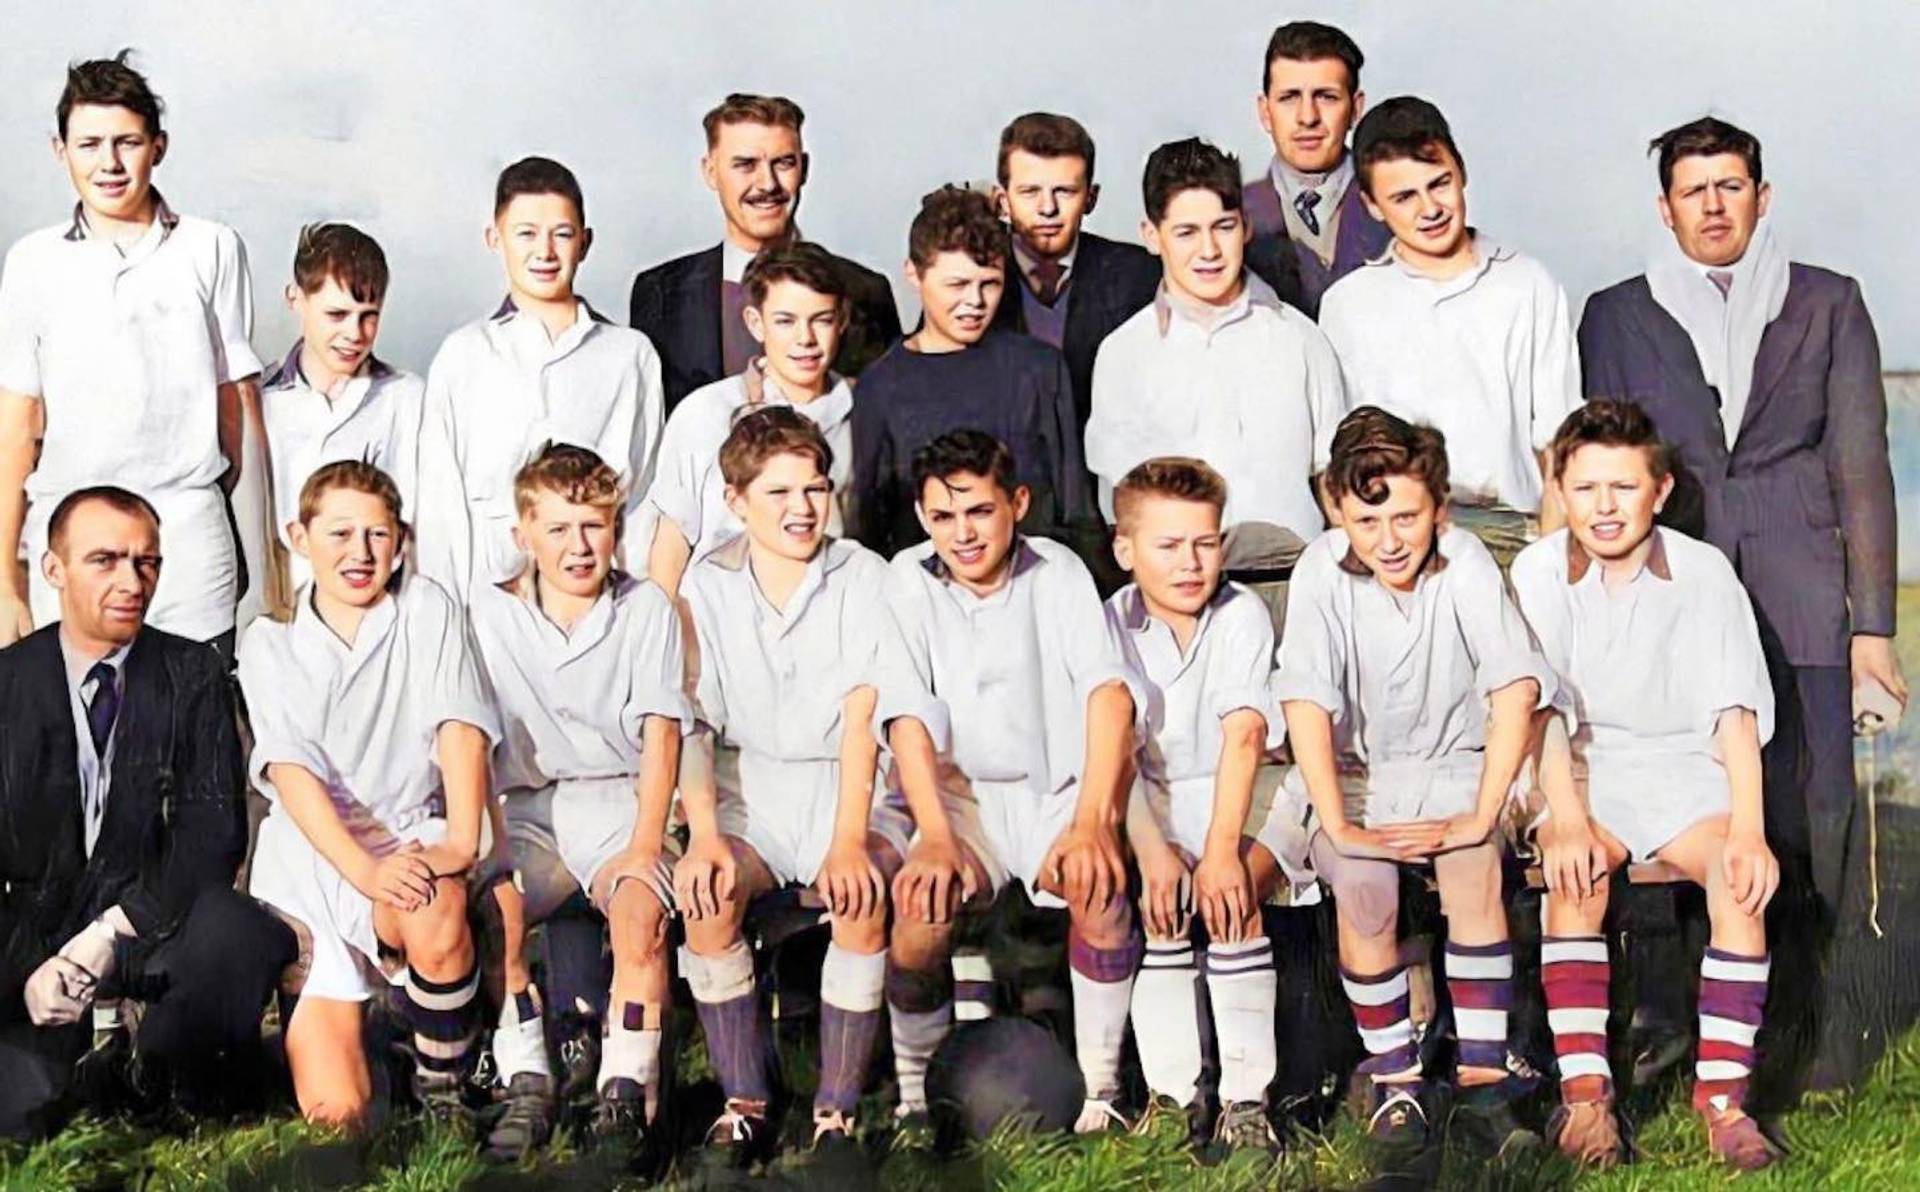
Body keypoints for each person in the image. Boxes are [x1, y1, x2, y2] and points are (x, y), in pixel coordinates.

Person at [1576, 123, 1901, 1069]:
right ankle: (1669, 1023)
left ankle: (1803, 1028)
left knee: (1810, 812)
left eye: (1730, 185)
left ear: (1763, 195)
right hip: (1665, 599)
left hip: (1799, 596)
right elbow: (1601, 461)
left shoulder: (1828, 302)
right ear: (1665, 207)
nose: (1713, 205)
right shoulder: (1616, 313)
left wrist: (1871, 629)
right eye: (1693, 190)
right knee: (1663, 806)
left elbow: (1862, 466)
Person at [1274, 407, 1555, 1168]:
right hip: (1353, 781)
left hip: (1455, 769)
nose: (1390, 539)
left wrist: (1481, 815)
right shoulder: (1321, 572)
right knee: (1365, 887)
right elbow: (1304, 701)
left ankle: (1483, 1081)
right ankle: (1396, 1077)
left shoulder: (1462, 560)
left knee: (1474, 872)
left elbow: (1514, 685)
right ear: (1337, 507)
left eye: (1407, 516)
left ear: (1438, 506)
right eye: (1368, 520)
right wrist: (1340, 825)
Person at [1511, 400, 1780, 1171]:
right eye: (1586, 488)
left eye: (1623, 488)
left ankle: (1725, 1101)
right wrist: (1564, 820)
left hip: (1682, 771)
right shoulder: (1538, 570)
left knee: (1739, 880)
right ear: (1559, 489)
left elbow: (1733, 714)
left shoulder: (1702, 572)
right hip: (1581, 769)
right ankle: (1587, 1100)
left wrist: (1750, 832)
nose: (1604, 508)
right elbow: (1542, 713)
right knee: (1577, 874)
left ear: (1658, 492)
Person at [675, 407, 949, 1160]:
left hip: (845, 785)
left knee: (858, 895)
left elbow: (866, 715)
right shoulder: (706, 581)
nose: (801, 509)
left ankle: (837, 1113)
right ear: (735, 501)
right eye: (779, 493)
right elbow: (693, 725)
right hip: (751, 786)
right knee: (709, 892)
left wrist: (848, 839)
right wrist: (702, 839)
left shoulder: (863, 573)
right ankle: (745, 1102)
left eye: (816, 490)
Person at [0, 487, 292, 1139]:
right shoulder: (8, 682)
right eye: (105, 560)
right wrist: (30, 971)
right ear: (54, 570)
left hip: (147, 921)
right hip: (37, 935)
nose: (132, 581)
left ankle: (164, 1074)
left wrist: (108, 934)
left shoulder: (194, 672)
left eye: (147, 562)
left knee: (236, 928)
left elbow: (214, 837)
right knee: (23, 1113)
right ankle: (73, 1069)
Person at [885, 430, 1144, 1135]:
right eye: (943, 517)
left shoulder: (1056, 571)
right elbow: (906, 715)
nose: (963, 534)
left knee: (1098, 884)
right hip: (960, 797)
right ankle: (919, 1096)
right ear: (921, 516)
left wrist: (1093, 821)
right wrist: (934, 836)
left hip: (1051, 792)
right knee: (921, 909)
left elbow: (1108, 697)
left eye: (979, 512)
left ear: (1017, 504)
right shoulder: (905, 580)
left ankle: (1100, 1091)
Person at [240, 461, 499, 1130]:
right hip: (315, 865)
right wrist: (367, 872)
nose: (360, 554)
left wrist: (461, 843)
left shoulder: (426, 607)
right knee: (341, 1115)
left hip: (407, 838)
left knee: (434, 908)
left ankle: (445, 1086)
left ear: (401, 540)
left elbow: (460, 726)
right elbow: (292, 774)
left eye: (378, 536)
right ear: (299, 536)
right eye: (340, 533)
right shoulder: (268, 640)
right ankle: (389, 1032)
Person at [0, 52, 264, 654]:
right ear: (60, 150)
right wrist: (3, 585)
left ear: (159, 147)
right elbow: (15, 430)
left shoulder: (212, 248)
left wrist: (256, 567)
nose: (109, 163)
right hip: (67, 537)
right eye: (89, 144)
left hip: (187, 543)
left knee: (193, 732)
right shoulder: (32, 263)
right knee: (78, 739)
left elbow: (237, 412)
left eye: (128, 142)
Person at [468, 444, 689, 1159]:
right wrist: (487, 843)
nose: (580, 545)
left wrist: (648, 846)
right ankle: (526, 1074)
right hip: (525, 805)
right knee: (491, 905)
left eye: (595, 525)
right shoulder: (485, 612)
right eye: (559, 529)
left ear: (616, 527)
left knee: (640, 912)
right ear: (523, 533)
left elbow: (662, 735)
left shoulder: (646, 607)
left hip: (621, 799)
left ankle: (624, 1094)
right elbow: (468, 740)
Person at [1106, 458, 1307, 1152]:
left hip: (1248, 792)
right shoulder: (1111, 623)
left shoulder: (1240, 614)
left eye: (1207, 542)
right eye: (1169, 546)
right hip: (1154, 798)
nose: (1192, 563)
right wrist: (1156, 853)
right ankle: (1173, 1093)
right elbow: (1118, 752)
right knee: (1162, 906)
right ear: (1125, 549)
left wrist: (1222, 852)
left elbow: (1245, 734)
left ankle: (1246, 1098)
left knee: (1231, 897)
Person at [1084, 137, 1346, 632]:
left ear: (1244, 226)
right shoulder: (1124, 353)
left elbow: (1331, 483)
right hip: (1177, 604)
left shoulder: (1301, 338)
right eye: (1186, 232)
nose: (1208, 250)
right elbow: (1123, 503)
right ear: (1151, 235)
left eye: (1222, 228)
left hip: (1296, 591)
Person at [1318, 97, 1580, 566]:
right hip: (1391, 538)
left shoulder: (1527, 284)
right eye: (1403, 197)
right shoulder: (1348, 305)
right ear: (1372, 206)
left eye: (1439, 184)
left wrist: (1547, 560)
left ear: (1461, 172)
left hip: (1509, 535)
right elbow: (1334, 462)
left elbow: (1559, 446)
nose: (1429, 209)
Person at [412, 156, 665, 602]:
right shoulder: (464, 354)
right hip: (484, 604)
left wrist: (635, 609)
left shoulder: (629, 355)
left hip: (598, 605)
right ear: (495, 238)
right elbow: (439, 507)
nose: (545, 252)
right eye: (526, 234)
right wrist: (446, 616)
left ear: (585, 243)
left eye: (562, 234)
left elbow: (643, 503)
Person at [849, 186, 1098, 566]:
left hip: (1035, 593)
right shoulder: (881, 386)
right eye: (957, 285)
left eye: (990, 283)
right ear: (913, 275)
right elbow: (869, 529)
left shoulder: (1040, 369)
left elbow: (1077, 509)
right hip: (925, 604)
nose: (975, 302)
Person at [628, 93, 901, 411]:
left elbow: (885, 421)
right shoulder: (660, 292)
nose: (767, 184)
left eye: (783, 163)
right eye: (745, 165)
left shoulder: (865, 291)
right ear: (710, 171)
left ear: (805, 169)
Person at [645, 240, 856, 597]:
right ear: (755, 323)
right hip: (716, 627)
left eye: (821, 320)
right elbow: (671, 545)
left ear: (843, 320)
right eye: (786, 321)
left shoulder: (862, 411)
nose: (805, 339)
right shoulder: (706, 412)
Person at [254, 222, 424, 616]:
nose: (354, 333)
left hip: (379, 613)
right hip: (282, 614)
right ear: (295, 300)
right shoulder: (260, 401)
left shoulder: (404, 397)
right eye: (337, 314)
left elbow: (414, 524)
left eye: (369, 316)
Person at [987, 112, 1160, 431]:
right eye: (1029, 192)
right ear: (1003, 201)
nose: (1048, 208)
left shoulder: (1140, 277)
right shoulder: (972, 280)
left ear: (1091, 198)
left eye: (1064, 191)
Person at [1244, 20, 1390, 317]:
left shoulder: (1401, 205)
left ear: (1356, 109)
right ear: (1265, 111)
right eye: (1289, 98)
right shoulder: (1230, 215)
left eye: (1326, 97)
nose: (1307, 117)